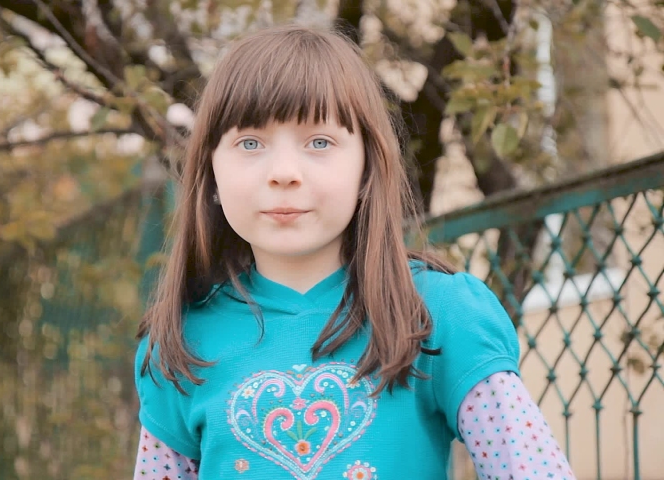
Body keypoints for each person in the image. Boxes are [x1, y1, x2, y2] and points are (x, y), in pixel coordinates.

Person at [133, 24, 575, 480]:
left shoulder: (441, 314)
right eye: (250, 143)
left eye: (319, 142)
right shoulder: (179, 344)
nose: (283, 172)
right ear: (210, 173)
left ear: (367, 169)